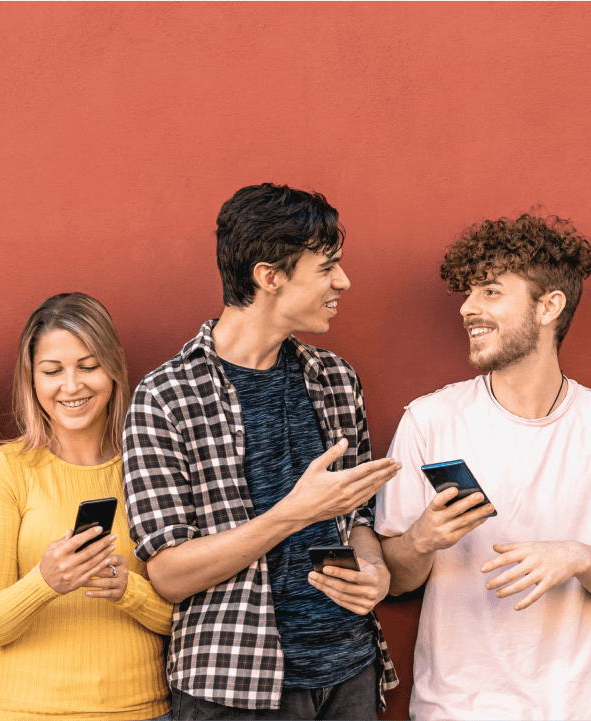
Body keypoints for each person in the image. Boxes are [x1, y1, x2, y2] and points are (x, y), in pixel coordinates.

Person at [375, 213, 591, 721]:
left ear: (549, 306)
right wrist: (422, 539)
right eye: (468, 295)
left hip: (586, 706)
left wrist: (578, 557)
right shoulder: (429, 421)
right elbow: (398, 579)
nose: (469, 309)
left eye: (491, 292)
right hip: (460, 707)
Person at [122, 183, 400, 720]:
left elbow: (357, 514)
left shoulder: (336, 379)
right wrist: (291, 514)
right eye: (326, 268)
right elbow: (169, 573)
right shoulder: (166, 397)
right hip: (234, 687)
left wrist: (372, 568)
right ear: (269, 277)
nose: (343, 282)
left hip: (351, 674)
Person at [0, 293, 172, 720]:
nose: (71, 386)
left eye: (89, 366)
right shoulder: (5, 469)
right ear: (32, 380)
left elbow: (191, 619)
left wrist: (127, 589)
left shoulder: (152, 466)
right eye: (52, 371)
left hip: (141, 711)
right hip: (21, 712)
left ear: (113, 370)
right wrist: (45, 581)